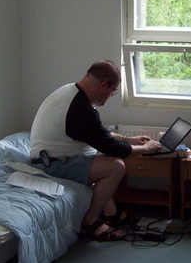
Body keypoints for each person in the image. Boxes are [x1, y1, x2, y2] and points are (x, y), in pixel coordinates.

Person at [30, 60, 161, 241]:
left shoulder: (73, 92)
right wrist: (143, 149)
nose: (109, 97)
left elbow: (98, 133)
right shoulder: (79, 109)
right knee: (115, 165)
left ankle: (110, 211)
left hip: (57, 156)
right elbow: (110, 146)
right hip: (51, 165)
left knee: (104, 155)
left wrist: (128, 139)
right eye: (113, 92)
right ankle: (90, 222)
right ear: (103, 85)